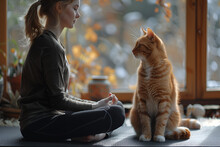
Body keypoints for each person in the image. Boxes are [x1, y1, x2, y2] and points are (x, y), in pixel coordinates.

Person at [17, 0, 125, 142]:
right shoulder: (49, 46)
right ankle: (97, 135)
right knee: (116, 113)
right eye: (75, 8)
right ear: (59, 7)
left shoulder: (51, 42)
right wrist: (95, 106)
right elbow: (58, 101)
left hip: (48, 118)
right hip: (38, 124)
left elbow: (61, 97)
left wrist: (97, 105)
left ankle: (89, 134)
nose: (78, 15)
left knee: (117, 106)